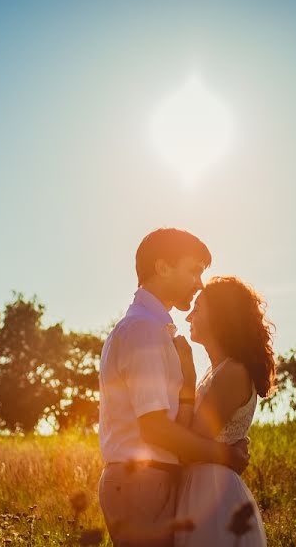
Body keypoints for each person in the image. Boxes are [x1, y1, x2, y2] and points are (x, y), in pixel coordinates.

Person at [97, 228, 250, 547]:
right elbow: (155, 429)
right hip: (142, 481)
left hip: (148, 480)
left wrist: (189, 381)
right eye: (193, 270)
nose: (198, 284)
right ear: (163, 267)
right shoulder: (144, 332)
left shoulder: (151, 329)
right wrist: (224, 456)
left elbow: (167, 420)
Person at [172, 275, 275, 547]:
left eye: (198, 308)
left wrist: (187, 375)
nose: (189, 316)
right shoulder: (218, 372)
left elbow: (190, 443)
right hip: (202, 488)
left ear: (219, 316)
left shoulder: (232, 373)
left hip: (214, 493)